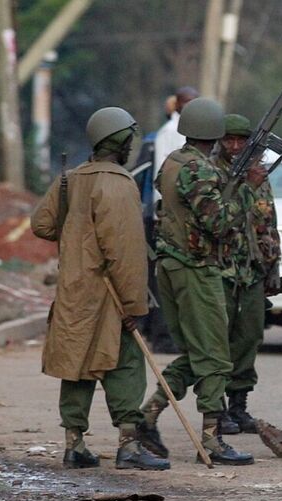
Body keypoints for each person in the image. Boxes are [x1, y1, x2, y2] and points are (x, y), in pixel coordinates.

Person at [31, 107, 169, 471]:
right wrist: (134, 304)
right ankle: (127, 446)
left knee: (76, 365)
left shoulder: (72, 178)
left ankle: (74, 445)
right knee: (125, 362)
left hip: (74, 291)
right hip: (108, 294)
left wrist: (77, 236)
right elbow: (124, 253)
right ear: (122, 143)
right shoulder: (120, 184)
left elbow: (42, 225)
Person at [136, 97, 261, 466]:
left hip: (172, 267)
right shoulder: (200, 170)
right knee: (216, 355)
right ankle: (211, 437)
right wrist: (248, 188)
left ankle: (148, 415)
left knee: (196, 352)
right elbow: (220, 223)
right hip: (196, 268)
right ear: (216, 134)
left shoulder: (173, 163)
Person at [212, 113, 282, 434]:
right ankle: (217, 409)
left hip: (252, 269)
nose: (236, 146)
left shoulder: (258, 175)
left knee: (250, 335)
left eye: (241, 140)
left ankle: (239, 405)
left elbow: (269, 224)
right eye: (229, 140)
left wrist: (273, 267)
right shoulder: (212, 174)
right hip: (222, 269)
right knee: (220, 340)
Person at [151, 86, 198, 203]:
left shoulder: (198, 130)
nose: (190, 106)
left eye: (194, 102)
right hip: (171, 202)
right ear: (177, 104)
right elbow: (161, 169)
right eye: (186, 102)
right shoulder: (168, 131)